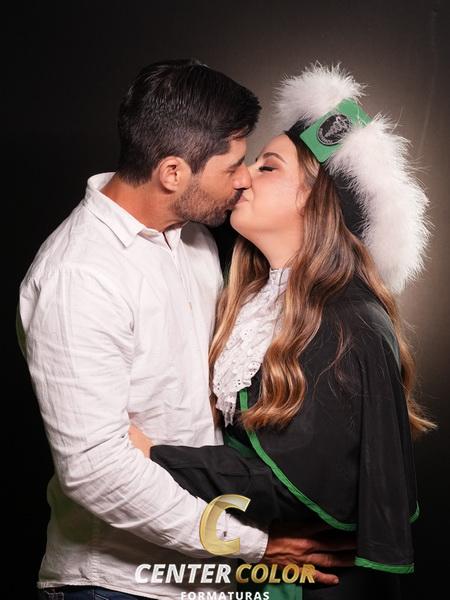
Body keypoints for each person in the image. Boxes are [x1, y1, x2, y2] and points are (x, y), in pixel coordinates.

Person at [18, 59, 352, 600]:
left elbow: (308, 202)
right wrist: (252, 545)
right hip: (118, 586)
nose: (243, 179)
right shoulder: (78, 276)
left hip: (206, 580)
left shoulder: (195, 238)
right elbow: (95, 471)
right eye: (233, 165)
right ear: (173, 172)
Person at [128, 64, 436, 600]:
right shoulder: (251, 293)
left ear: (315, 202)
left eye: (268, 167)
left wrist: (154, 455)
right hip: (246, 567)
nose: (243, 176)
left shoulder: (349, 323)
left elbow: (302, 484)